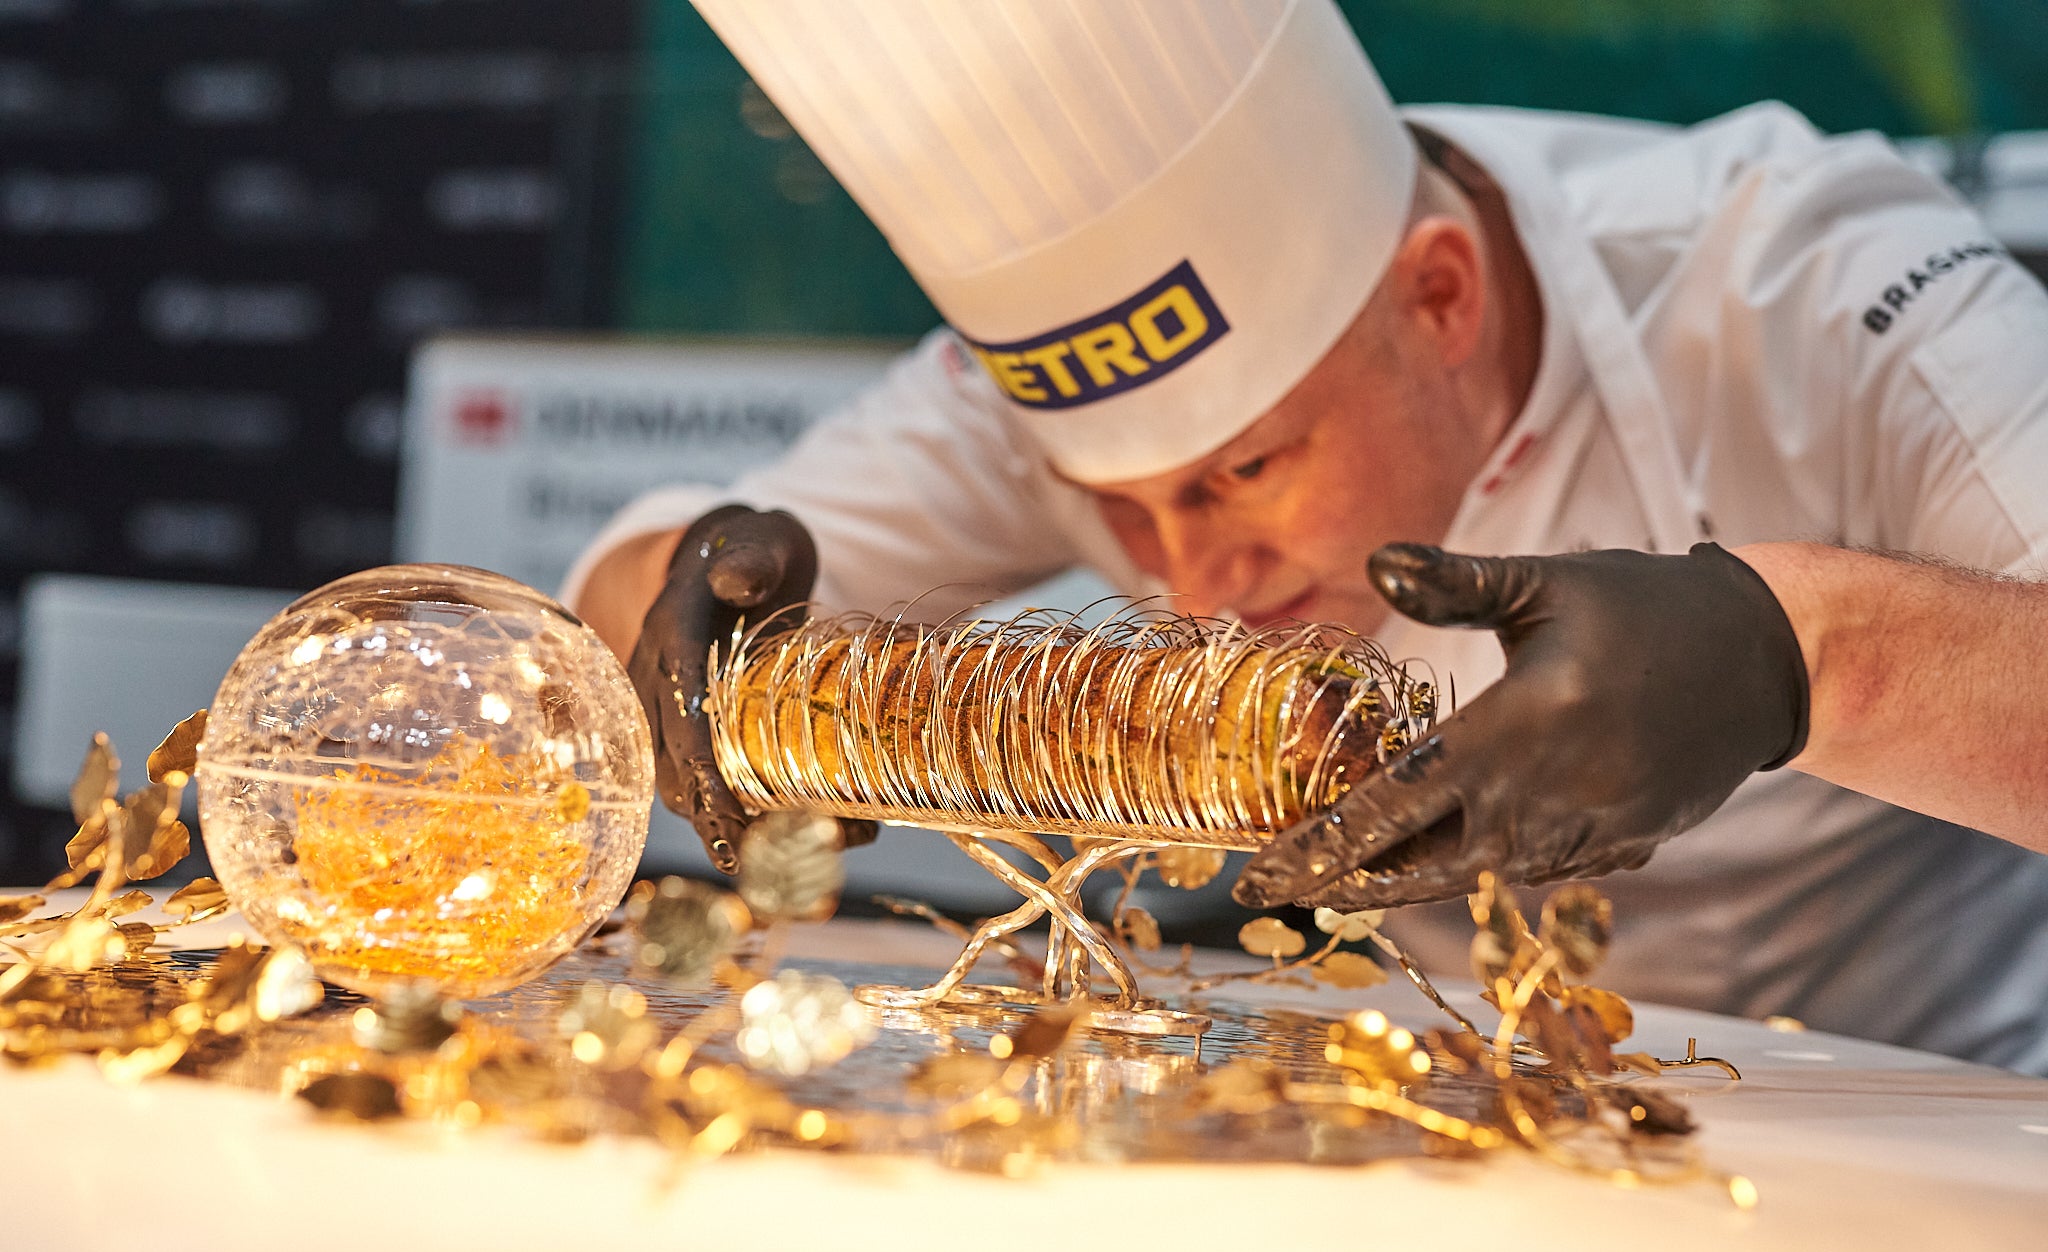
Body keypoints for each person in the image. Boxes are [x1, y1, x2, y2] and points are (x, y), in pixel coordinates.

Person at [569, 0, 2048, 1070]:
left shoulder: (1817, 281)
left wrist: (1797, 654)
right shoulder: (1055, 400)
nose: (1193, 584)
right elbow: (653, 586)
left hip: (1933, 1105)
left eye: (1248, 468)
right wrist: (680, 598)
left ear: (1444, 298)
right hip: (1447, 1097)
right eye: (1118, 511)